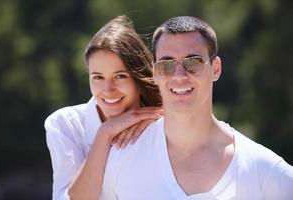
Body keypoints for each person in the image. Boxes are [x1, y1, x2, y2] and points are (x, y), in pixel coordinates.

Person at [100, 16, 293, 199]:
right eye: (166, 64)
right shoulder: (122, 160)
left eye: (193, 62)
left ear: (215, 69)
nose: (179, 75)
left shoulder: (263, 171)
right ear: (155, 72)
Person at [44, 15, 162, 200]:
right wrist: (105, 134)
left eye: (120, 76)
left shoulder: (163, 124)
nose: (108, 90)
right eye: (98, 77)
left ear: (139, 77)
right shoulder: (65, 124)